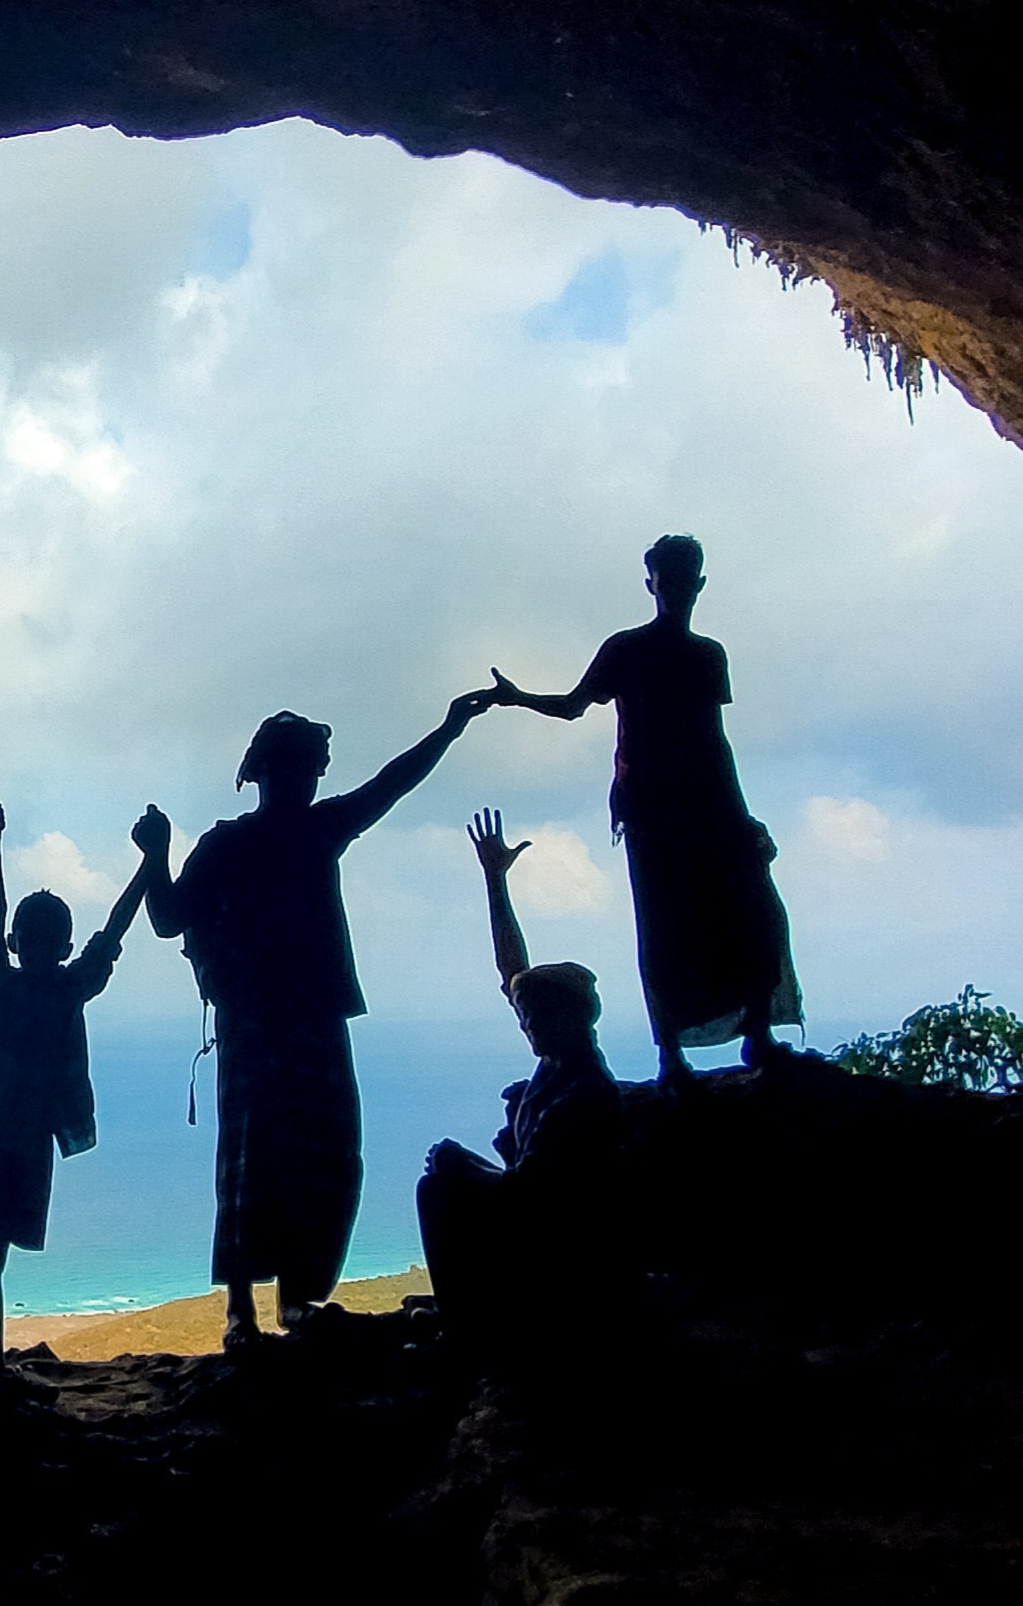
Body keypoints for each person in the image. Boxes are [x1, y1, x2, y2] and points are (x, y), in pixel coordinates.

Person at [155, 687, 499, 1347]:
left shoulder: (238, 842)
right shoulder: (310, 830)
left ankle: (263, 1310)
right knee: (307, 1153)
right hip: (296, 1017)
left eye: (310, 768)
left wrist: (155, 855)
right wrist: (448, 728)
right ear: (274, 772)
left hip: (263, 1020)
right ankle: (272, 1308)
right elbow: (390, 785)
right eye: (303, 767)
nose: (308, 779)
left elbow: (169, 916)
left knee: (264, 1155)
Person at [484, 534, 800, 1074]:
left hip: (697, 800)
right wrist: (518, 698)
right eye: (669, 579)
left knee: (741, 915)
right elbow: (574, 707)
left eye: (681, 579)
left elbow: (711, 739)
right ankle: (676, 1051)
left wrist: (741, 815)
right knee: (671, 924)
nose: (677, 589)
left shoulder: (700, 654)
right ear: (656, 584)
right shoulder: (635, 649)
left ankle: (749, 1034)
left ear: (690, 583)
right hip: (658, 806)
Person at [0, 808, 170, 1384]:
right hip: (22, 1143)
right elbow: (115, 929)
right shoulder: (70, 987)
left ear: (18, 943)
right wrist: (149, 864)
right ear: (66, 945)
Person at [417, 810, 633, 1347]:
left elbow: (527, 1194)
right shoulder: (560, 1065)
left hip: (567, 1246)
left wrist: (462, 1163)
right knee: (443, 1182)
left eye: (537, 1019)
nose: (528, 1027)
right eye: (526, 1018)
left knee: (440, 1186)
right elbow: (512, 970)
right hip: (548, 1227)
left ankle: (469, 1329)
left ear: (572, 1017)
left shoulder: (583, 1094)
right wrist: (495, 881)